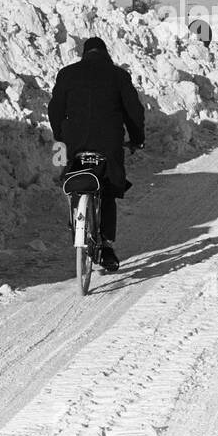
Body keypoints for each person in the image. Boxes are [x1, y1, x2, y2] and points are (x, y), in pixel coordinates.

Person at [48, 36, 145, 271]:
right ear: (105, 53)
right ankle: (107, 245)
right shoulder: (118, 75)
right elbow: (134, 111)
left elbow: (55, 108)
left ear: (84, 53)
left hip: (74, 142)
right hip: (108, 143)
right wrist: (136, 139)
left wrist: (60, 135)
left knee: (74, 177)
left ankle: (75, 218)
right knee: (108, 187)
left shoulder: (67, 74)